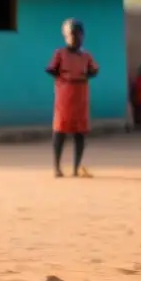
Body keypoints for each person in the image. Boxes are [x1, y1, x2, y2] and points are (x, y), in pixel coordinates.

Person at [46, 19, 99, 177]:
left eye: (78, 34)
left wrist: (83, 76)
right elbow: (51, 69)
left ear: (83, 36)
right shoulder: (59, 53)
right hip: (64, 97)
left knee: (80, 132)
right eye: (71, 34)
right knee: (60, 131)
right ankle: (57, 167)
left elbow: (95, 70)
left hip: (81, 96)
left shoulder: (86, 55)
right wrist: (64, 78)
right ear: (66, 36)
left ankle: (76, 168)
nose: (75, 37)